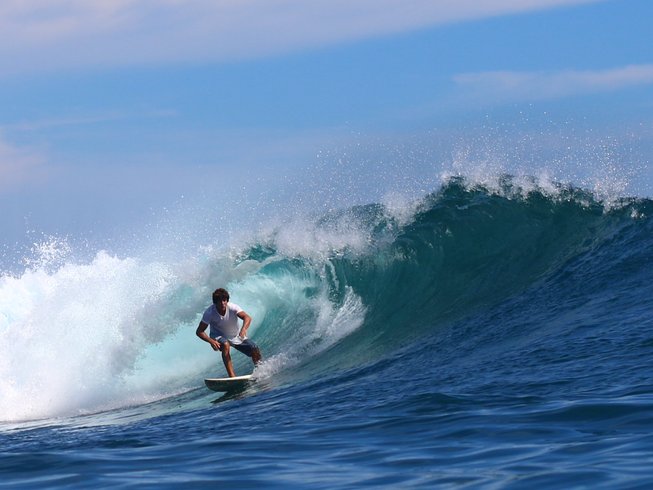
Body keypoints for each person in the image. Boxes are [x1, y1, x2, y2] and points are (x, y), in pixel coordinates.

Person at [196, 288, 262, 377]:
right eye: (219, 301)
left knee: (254, 348)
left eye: (224, 300)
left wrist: (243, 329)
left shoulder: (233, 307)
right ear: (215, 303)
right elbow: (199, 331)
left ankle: (260, 371)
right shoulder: (209, 313)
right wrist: (211, 341)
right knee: (226, 345)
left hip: (234, 335)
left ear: (227, 300)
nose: (223, 303)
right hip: (218, 335)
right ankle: (232, 376)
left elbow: (247, 317)